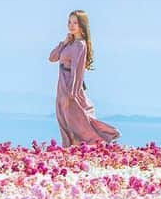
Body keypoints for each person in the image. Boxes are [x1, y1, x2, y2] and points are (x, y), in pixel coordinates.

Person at [48, 10, 120, 147]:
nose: (71, 25)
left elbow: (77, 70)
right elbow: (52, 58)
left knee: (78, 121)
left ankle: (98, 142)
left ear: (82, 25)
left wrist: (72, 93)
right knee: (63, 118)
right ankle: (69, 149)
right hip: (62, 85)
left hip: (70, 87)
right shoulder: (69, 43)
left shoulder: (80, 45)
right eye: (69, 22)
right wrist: (63, 42)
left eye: (75, 22)